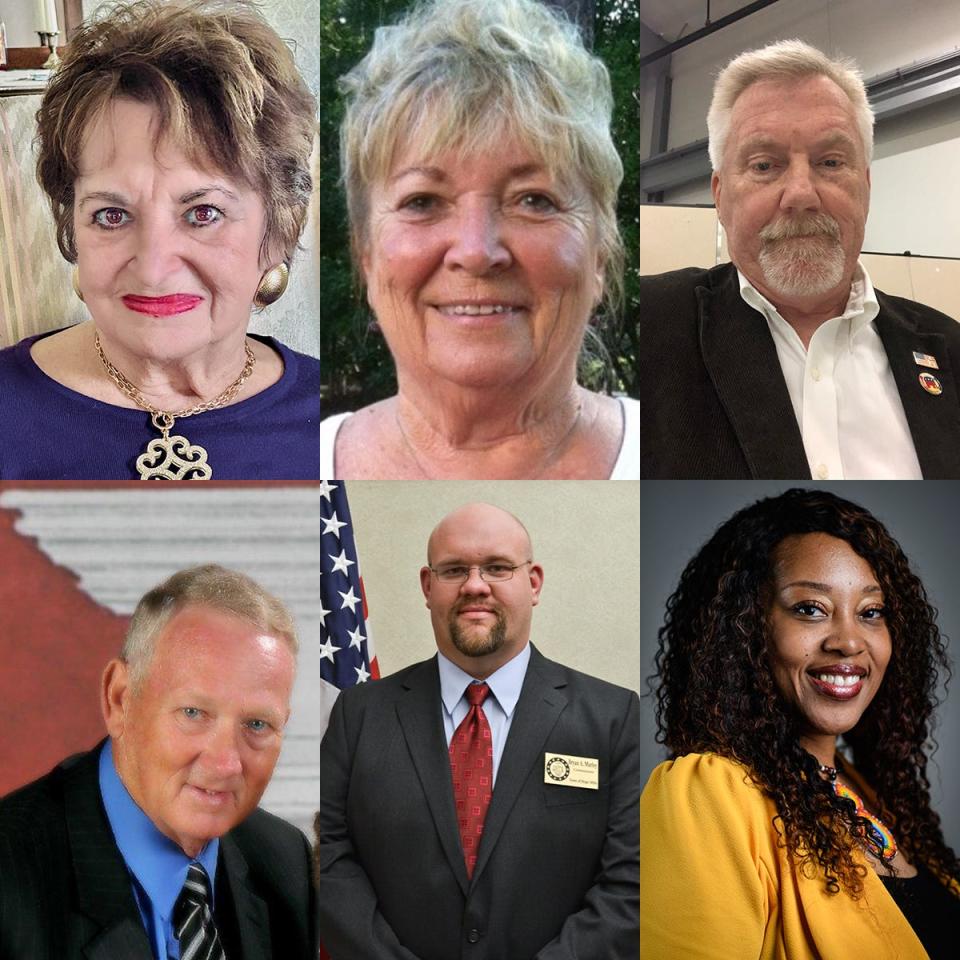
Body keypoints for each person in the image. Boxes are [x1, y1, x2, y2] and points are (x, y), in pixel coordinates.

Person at [0, 0, 319, 480]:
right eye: (111, 214)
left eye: (203, 213)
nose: (152, 267)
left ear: (279, 229)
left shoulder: (337, 424)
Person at [320, 0, 637, 479]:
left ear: (600, 253)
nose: (475, 251)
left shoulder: (686, 458)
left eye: (533, 200)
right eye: (422, 201)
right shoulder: (292, 464)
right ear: (365, 255)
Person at [641, 489, 960, 959]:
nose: (849, 642)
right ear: (746, 628)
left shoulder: (866, 793)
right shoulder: (708, 792)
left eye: (871, 612)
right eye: (810, 608)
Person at [316, 502, 640, 958]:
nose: (474, 586)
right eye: (453, 570)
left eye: (497, 568)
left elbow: (630, 882)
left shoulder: (614, 717)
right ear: (428, 587)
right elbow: (330, 857)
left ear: (533, 582)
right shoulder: (359, 714)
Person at [639, 40, 960, 479]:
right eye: (764, 166)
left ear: (865, 186)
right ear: (720, 195)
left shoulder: (950, 349)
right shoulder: (650, 324)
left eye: (830, 161)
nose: (802, 195)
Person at [0, 565, 316, 959]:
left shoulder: (285, 864)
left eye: (257, 724)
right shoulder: (11, 877)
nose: (225, 764)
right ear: (119, 698)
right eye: (193, 713)